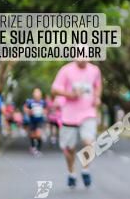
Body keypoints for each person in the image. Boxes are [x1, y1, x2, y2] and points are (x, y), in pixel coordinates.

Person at [51, 58, 102, 188]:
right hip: (69, 115)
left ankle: (85, 170)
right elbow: (54, 90)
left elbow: (98, 86)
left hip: (88, 113)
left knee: (89, 142)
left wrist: (97, 98)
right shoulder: (66, 70)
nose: (83, 61)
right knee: (69, 148)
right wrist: (70, 94)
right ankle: (71, 173)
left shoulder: (94, 70)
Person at [24, 88, 48, 156]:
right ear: (33, 95)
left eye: (38, 95)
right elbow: (25, 109)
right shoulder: (30, 102)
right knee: (32, 135)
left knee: (38, 135)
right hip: (32, 120)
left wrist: (44, 112)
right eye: (35, 95)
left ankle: (39, 150)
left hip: (40, 120)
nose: (37, 96)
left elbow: (46, 110)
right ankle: (33, 147)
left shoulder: (43, 102)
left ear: (40, 95)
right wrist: (29, 112)